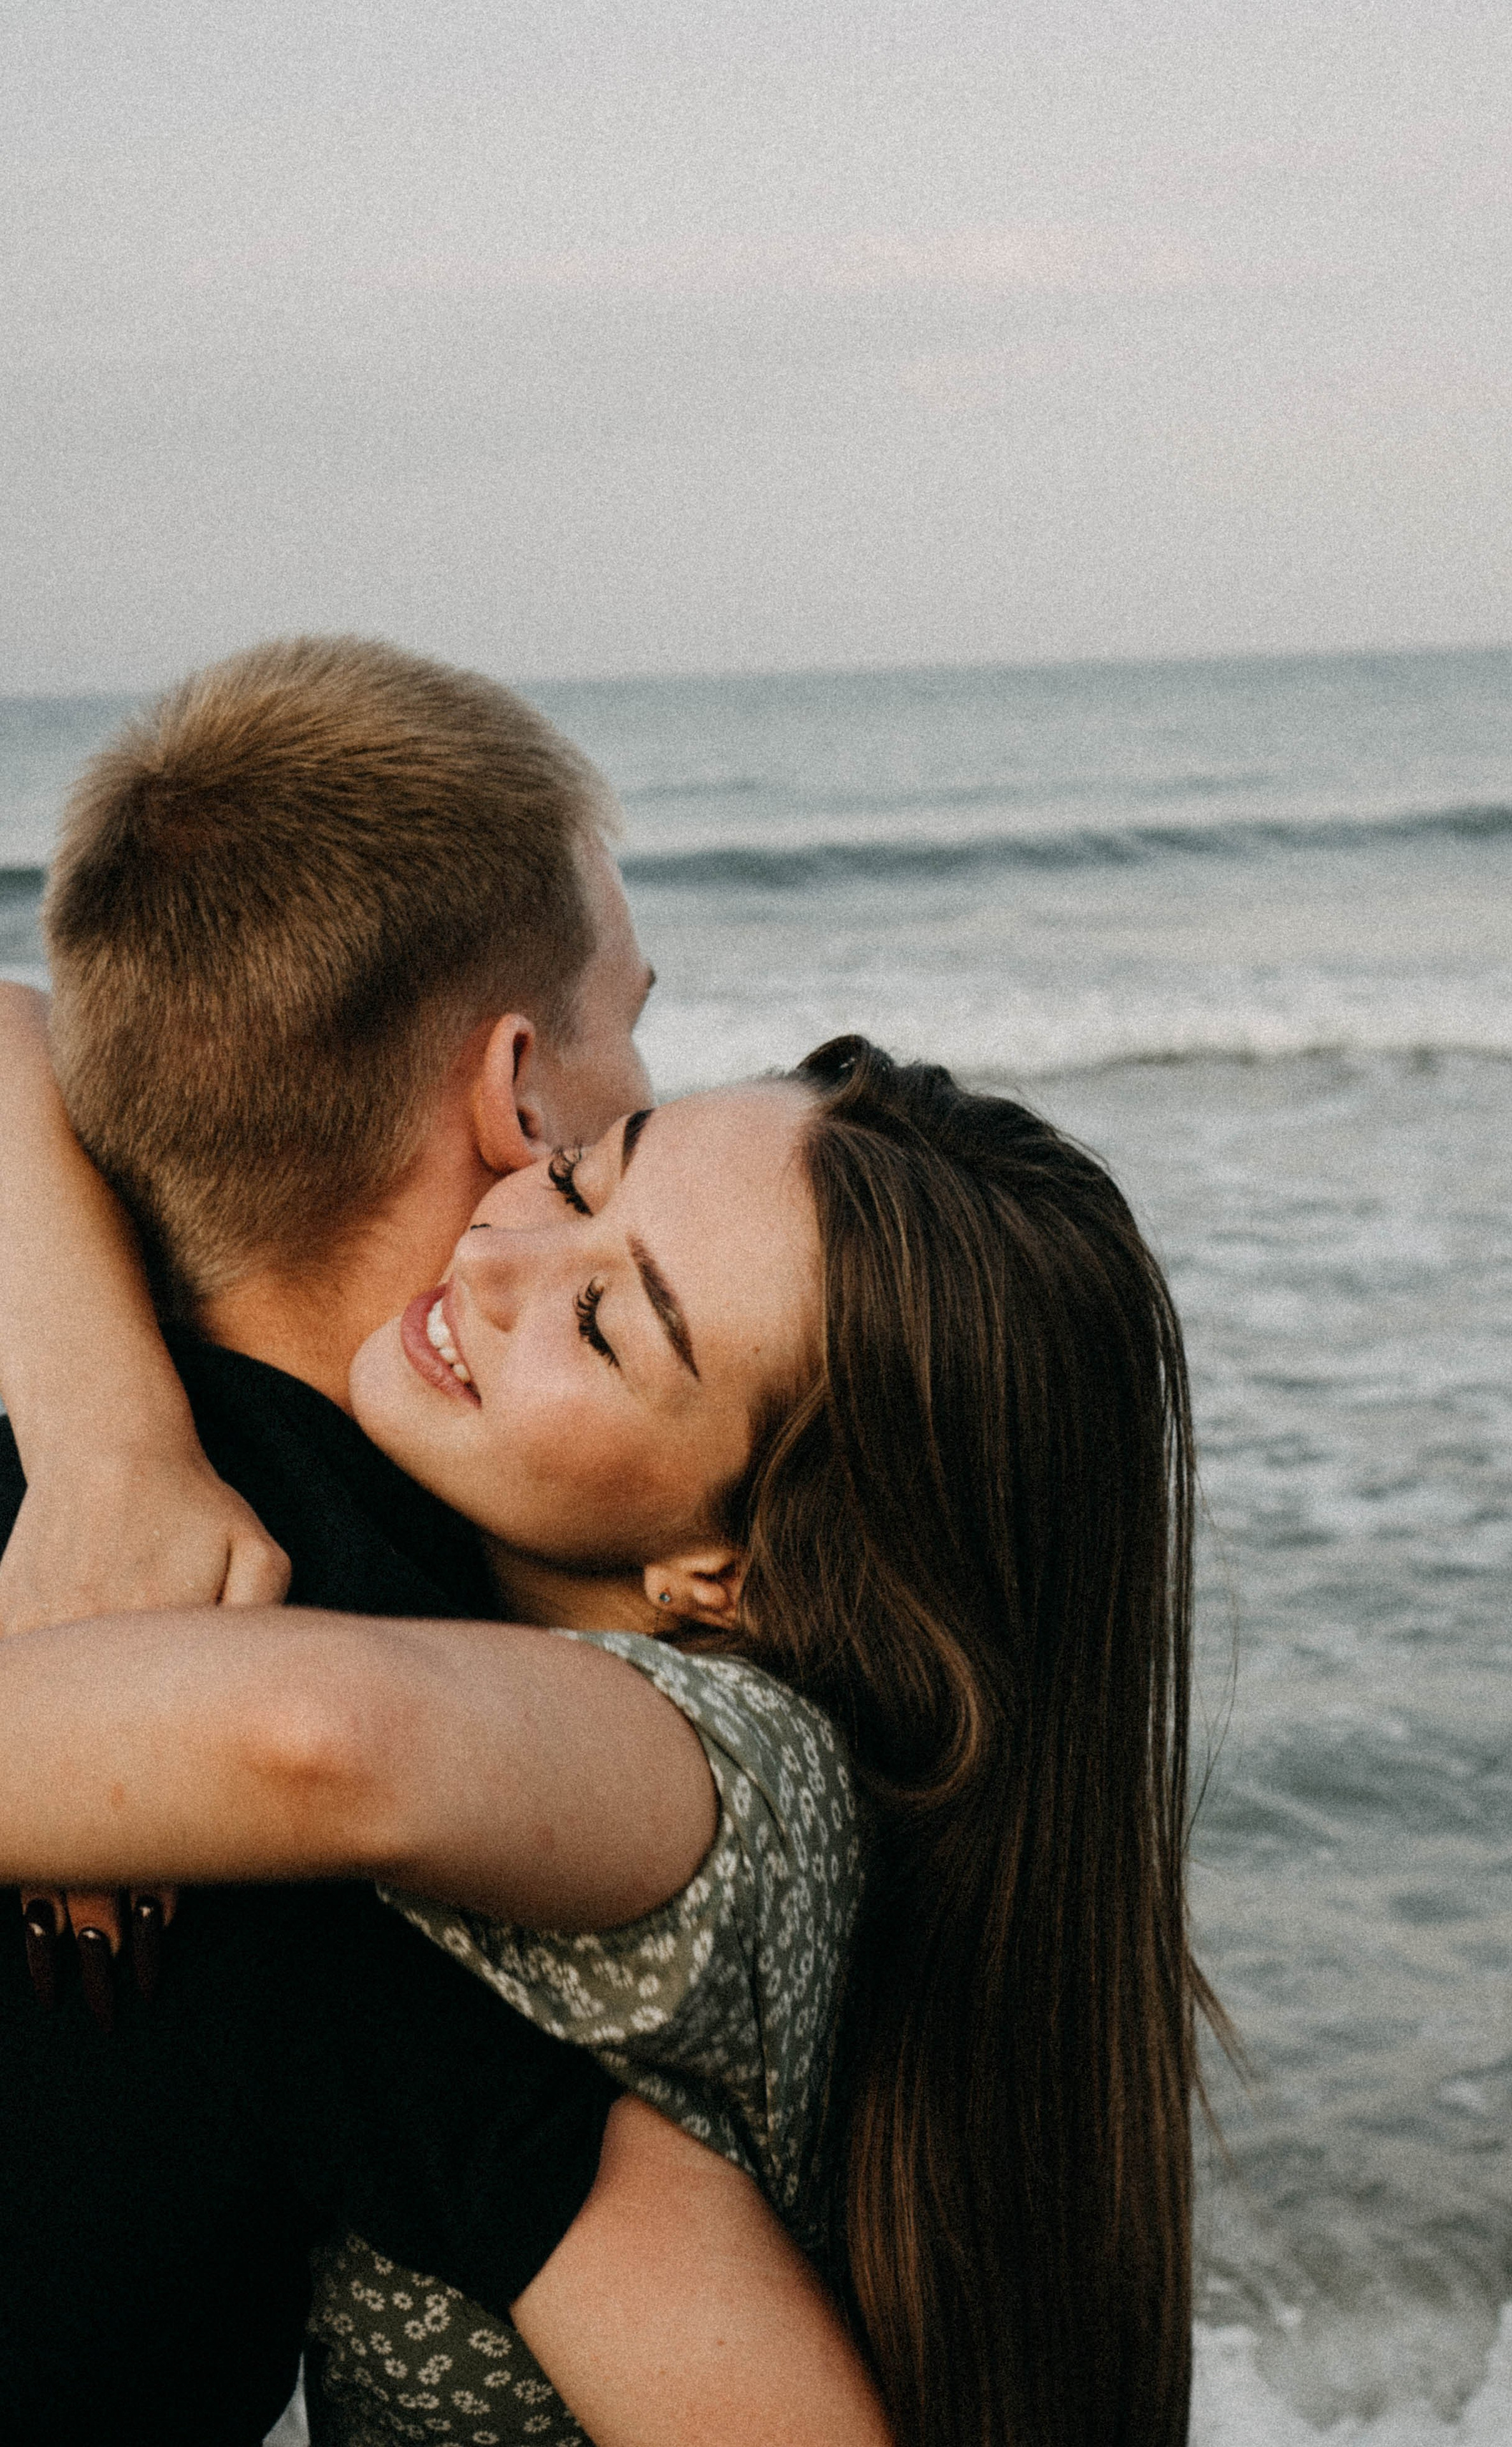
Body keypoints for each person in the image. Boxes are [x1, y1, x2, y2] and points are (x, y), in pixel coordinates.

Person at [0, 1013, 1219, 2446]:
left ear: (730, 1574)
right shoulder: (511, 1644)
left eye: (603, 1322)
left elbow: (321, 1741)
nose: (497, 1261)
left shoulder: (743, 1773)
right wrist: (108, 1435)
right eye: (580, 1176)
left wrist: (131, 1737)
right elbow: (19, 1031)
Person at [0, 637, 889, 2446]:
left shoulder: (149, 1545)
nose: (643, 1070)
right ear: (523, 1098)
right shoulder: (391, 1645)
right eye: (630, 1021)